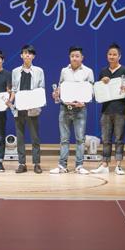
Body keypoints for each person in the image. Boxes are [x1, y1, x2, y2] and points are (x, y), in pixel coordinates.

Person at [50, 46, 94, 175]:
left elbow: (91, 91)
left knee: (80, 139)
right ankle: (62, 166)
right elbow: (61, 87)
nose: (74, 58)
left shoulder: (88, 71)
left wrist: (84, 102)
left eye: (77, 56)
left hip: (80, 109)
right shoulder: (64, 71)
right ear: (69, 57)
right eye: (72, 56)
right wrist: (56, 93)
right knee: (64, 139)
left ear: (82, 57)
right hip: (64, 108)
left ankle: (79, 166)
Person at [92, 43, 125, 175]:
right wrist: (101, 82)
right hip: (106, 110)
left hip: (120, 110)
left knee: (119, 139)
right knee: (106, 139)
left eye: (114, 54)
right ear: (107, 56)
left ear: (119, 56)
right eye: (110, 54)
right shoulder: (103, 72)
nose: (112, 56)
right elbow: (98, 91)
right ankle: (105, 164)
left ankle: (118, 165)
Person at [10, 45, 45, 174]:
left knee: (35, 137)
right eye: (25, 53)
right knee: (20, 137)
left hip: (32, 108)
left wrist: (34, 102)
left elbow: (41, 89)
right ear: (21, 55)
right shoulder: (15, 71)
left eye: (30, 53)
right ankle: (22, 163)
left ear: (33, 56)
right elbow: (14, 89)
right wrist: (10, 101)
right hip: (19, 108)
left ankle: (36, 163)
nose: (27, 55)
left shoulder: (39, 71)